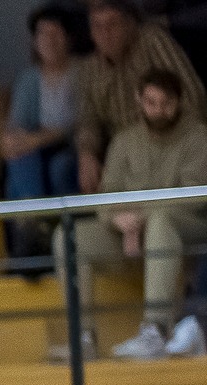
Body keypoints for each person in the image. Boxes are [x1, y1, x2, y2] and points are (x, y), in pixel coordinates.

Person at [60, 67, 207, 359]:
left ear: (179, 102)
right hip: (130, 233)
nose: (160, 111)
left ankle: (155, 330)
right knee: (69, 236)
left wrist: (140, 220)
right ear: (139, 100)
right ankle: (83, 338)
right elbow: (106, 194)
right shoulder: (125, 140)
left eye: (167, 103)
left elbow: (194, 198)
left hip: (188, 230)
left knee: (162, 221)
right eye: (152, 102)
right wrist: (116, 220)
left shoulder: (199, 137)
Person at [78, 0, 205, 194]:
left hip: (169, 140)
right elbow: (88, 119)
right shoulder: (90, 67)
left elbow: (192, 97)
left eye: (113, 24)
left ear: (130, 25)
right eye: (97, 26)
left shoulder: (152, 40)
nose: (105, 33)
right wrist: (86, 153)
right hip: (124, 152)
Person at [1, 6, 85, 205]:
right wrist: (11, 140)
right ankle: (34, 218)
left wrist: (38, 139)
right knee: (19, 159)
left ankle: (46, 221)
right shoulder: (29, 79)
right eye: (42, 34)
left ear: (69, 38)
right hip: (36, 148)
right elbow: (17, 125)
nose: (49, 40)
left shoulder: (84, 72)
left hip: (73, 147)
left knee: (60, 166)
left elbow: (83, 122)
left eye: (55, 33)